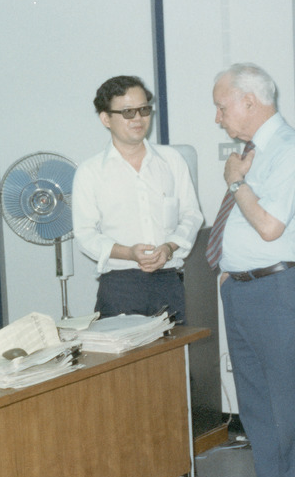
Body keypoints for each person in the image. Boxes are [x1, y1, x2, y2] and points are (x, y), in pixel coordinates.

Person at [211, 63, 295, 477]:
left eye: (221, 105)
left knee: (293, 410)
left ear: (248, 101)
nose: (218, 117)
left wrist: (237, 182)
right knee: (256, 407)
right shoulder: (255, 152)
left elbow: (271, 227)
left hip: (280, 294)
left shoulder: (291, 150)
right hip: (241, 291)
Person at [72, 75, 203, 323]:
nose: (138, 119)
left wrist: (169, 247)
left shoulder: (172, 161)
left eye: (144, 110)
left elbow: (191, 215)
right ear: (105, 118)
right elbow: (86, 235)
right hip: (120, 286)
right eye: (127, 112)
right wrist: (129, 253)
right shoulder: (90, 173)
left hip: (168, 281)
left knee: (171, 360)